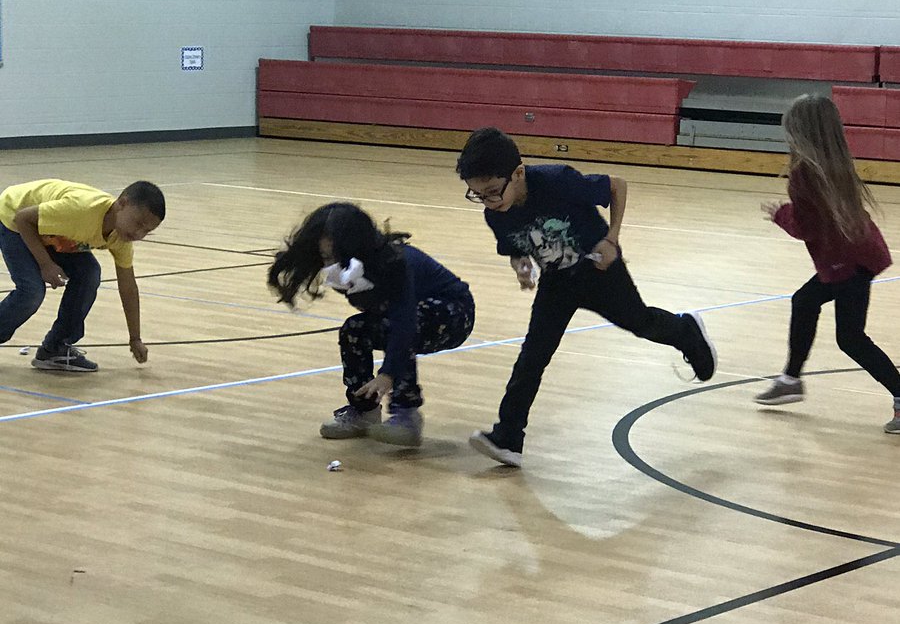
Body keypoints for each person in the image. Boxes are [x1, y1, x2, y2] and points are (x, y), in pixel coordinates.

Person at [456, 128, 716, 467]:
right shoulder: (496, 214)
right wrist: (520, 265)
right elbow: (516, 247)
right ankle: (508, 436)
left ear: (518, 173)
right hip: (557, 284)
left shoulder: (556, 180)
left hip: (599, 271)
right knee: (532, 356)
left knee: (640, 322)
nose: (489, 201)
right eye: (479, 195)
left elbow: (616, 185)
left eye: (493, 191)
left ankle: (686, 331)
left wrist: (612, 238)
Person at [268, 202, 475, 448]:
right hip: (405, 318)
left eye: (336, 257)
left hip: (453, 315)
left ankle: (406, 414)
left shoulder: (397, 263)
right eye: (325, 258)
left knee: (394, 329)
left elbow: (403, 323)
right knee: (353, 330)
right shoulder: (349, 273)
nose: (329, 264)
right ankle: (363, 411)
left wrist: (387, 374)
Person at [756, 94, 900, 433]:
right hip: (858, 252)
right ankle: (791, 379)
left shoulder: (804, 175)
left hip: (845, 263)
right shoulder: (834, 161)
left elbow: (806, 227)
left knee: (851, 339)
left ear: (798, 132)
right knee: (804, 301)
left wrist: (781, 213)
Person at [0, 178, 165, 372]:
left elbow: (128, 287)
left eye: (147, 231)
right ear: (122, 203)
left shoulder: (120, 237)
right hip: (12, 218)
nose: (139, 234)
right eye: (138, 223)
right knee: (32, 291)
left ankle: (55, 349)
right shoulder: (81, 210)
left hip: (48, 230)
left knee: (89, 273)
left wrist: (135, 338)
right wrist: (46, 264)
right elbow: (22, 218)